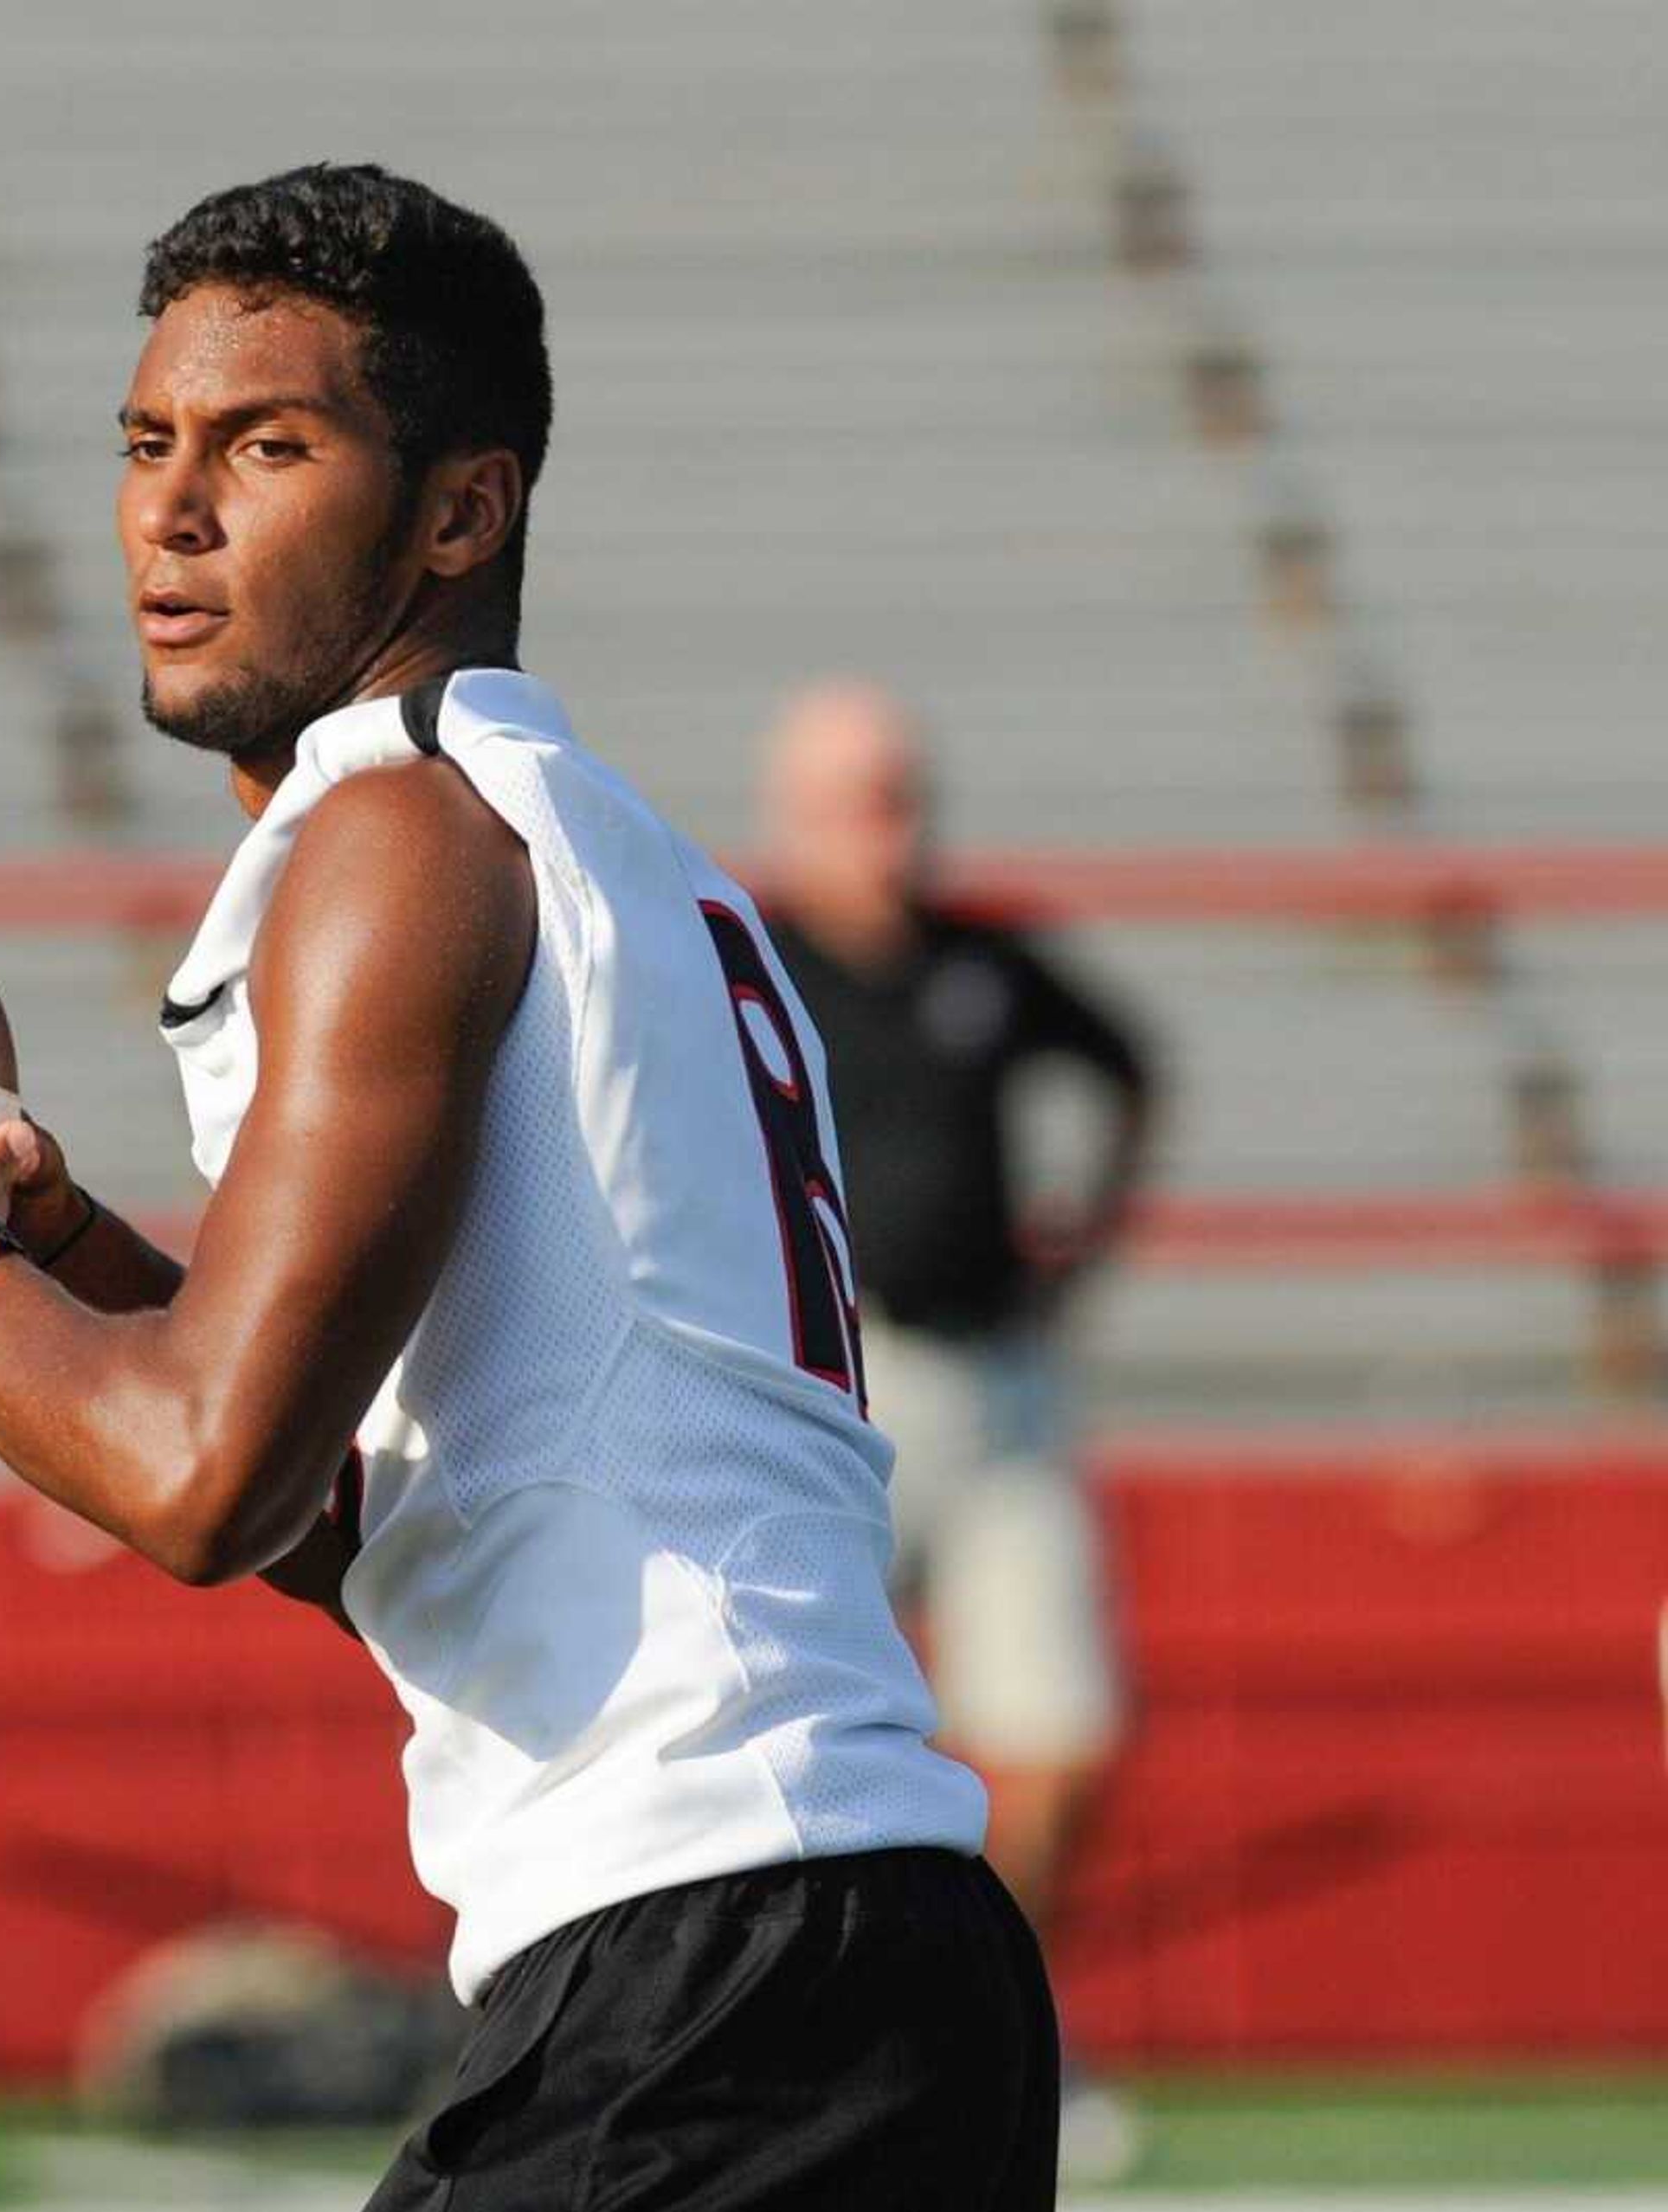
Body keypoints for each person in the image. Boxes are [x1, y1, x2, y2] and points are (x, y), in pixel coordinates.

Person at [0, 167, 1057, 2208]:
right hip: (829, 1957)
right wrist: (55, 1257)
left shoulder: (395, 841)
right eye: (147, 443)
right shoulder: (607, 845)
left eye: (266, 446)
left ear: (461, 511)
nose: (170, 509)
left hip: (717, 1967)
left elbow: (204, 1481)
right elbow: (354, 1516)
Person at [757, 678, 1159, 2182]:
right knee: (804, 1749)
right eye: (861, 797)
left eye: (903, 792)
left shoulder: (985, 960)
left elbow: (1127, 1071)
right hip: (833, 1392)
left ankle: (977, 2038)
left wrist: (1082, 1243)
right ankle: (815, 2056)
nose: (891, 828)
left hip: (998, 1379)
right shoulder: (750, 963)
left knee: (1058, 1740)